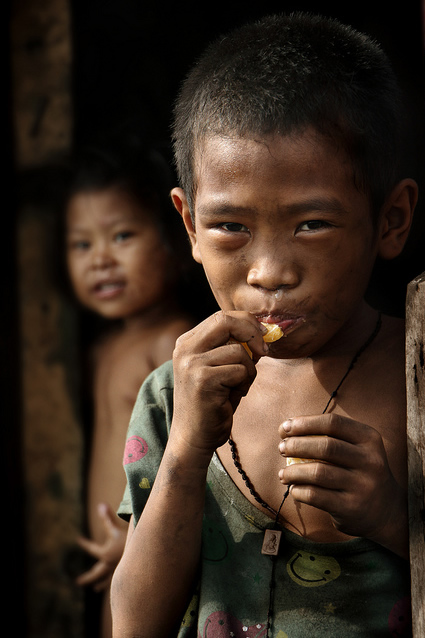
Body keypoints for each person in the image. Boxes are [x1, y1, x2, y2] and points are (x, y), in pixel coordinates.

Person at [110, 13, 418, 638]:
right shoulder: (174, 397)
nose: (270, 273)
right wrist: (186, 454)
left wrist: (396, 516)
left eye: (312, 225)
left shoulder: (417, 381)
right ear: (190, 225)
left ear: (390, 221)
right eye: (231, 227)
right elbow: (136, 622)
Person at [63, 142, 196, 637]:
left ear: (175, 242)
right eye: (81, 244)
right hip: (106, 559)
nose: (100, 259)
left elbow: (188, 456)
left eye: (121, 236)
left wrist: (137, 538)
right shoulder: (100, 350)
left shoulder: (171, 341)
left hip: (147, 548)